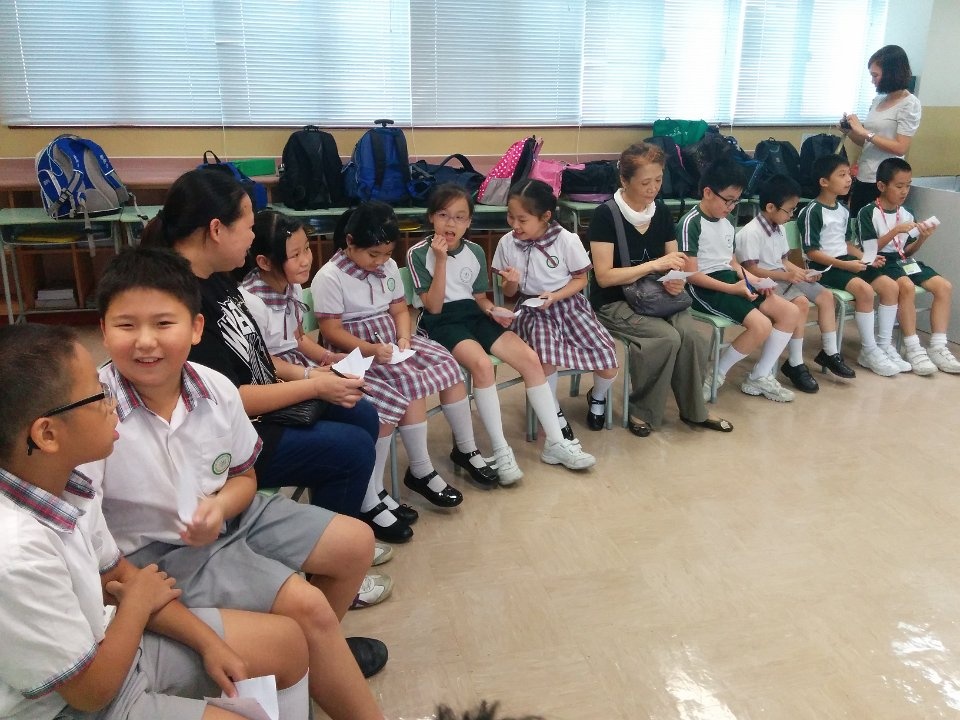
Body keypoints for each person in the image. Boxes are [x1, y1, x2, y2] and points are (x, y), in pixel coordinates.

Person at [82, 247, 388, 716]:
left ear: (196, 328)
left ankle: (313, 658)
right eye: (126, 325)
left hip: (231, 514)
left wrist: (222, 506)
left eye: (163, 323)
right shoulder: (93, 416)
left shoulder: (215, 388)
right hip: (159, 552)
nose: (145, 342)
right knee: (307, 606)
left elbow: (245, 476)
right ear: (103, 330)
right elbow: (98, 553)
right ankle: (315, 652)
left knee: (355, 543)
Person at [0, 323, 312, 720]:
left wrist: (207, 642)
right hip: (66, 704)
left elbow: (119, 575)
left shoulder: (70, 486)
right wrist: (137, 603)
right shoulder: (16, 553)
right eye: (97, 394)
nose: (113, 401)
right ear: (47, 435)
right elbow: (89, 692)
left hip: (110, 643)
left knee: (286, 641)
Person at [140, 169, 378, 519]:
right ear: (217, 230)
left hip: (258, 410)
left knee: (360, 412)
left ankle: (349, 516)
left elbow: (256, 356)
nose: (252, 238)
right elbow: (229, 398)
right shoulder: (178, 301)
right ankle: (333, 539)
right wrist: (315, 387)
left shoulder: (216, 278)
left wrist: (314, 375)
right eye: (249, 228)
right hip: (226, 435)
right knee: (352, 449)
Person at [310, 203, 501, 525]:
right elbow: (331, 331)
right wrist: (371, 349)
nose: (381, 261)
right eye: (373, 254)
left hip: (389, 341)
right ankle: (381, 487)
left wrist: (403, 338)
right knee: (402, 386)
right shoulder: (330, 276)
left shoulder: (386, 267)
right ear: (350, 242)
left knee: (447, 365)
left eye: (387, 254)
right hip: (353, 350)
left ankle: (447, 457)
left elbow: (399, 310)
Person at [408, 183, 596, 482]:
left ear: (469, 222)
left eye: (459, 217)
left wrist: (494, 310)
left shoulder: (474, 251)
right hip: (441, 321)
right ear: (431, 217)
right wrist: (440, 261)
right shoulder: (418, 253)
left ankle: (556, 443)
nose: (450, 224)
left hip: (473, 314)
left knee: (530, 359)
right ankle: (500, 449)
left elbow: (479, 298)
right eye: (443, 215)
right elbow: (433, 306)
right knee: (482, 365)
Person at [589, 142, 732, 435]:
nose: (653, 188)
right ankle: (642, 411)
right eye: (645, 182)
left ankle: (695, 410)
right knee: (664, 338)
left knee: (692, 337)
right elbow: (604, 277)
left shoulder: (661, 212)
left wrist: (677, 278)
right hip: (615, 300)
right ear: (624, 180)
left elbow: (673, 262)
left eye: (658, 180)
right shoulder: (606, 215)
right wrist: (653, 266)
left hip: (658, 295)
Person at [492, 179, 619, 434]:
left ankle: (597, 396)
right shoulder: (507, 242)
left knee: (608, 360)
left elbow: (581, 279)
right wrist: (511, 283)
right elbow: (508, 293)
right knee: (545, 359)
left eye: (522, 219)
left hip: (569, 306)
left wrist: (556, 296)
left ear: (545, 216)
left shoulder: (566, 240)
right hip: (532, 309)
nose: (515, 225)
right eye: (510, 217)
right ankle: (553, 411)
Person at [679, 159, 802, 403]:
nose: (732, 206)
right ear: (708, 192)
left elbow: (732, 262)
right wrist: (733, 288)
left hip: (729, 280)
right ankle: (715, 375)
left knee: (790, 312)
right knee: (761, 325)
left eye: (736, 201)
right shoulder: (691, 222)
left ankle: (759, 376)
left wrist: (752, 279)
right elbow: (690, 275)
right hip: (703, 287)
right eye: (728, 200)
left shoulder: (726, 223)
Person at [734, 173, 856, 391]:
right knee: (800, 304)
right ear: (770, 207)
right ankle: (796, 363)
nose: (791, 215)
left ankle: (830, 352)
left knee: (826, 296)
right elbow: (750, 270)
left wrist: (802, 272)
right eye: (789, 210)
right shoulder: (750, 232)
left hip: (783, 276)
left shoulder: (779, 228)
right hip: (766, 281)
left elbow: (783, 261)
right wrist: (787, 276)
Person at [798, 154, 905, 377]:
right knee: (864, 290)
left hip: (845, 262)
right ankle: (869, 350)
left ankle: (884, 345)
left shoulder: (843, 210)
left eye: (849, 174)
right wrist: (846, 266)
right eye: (842, 175)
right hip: (824, 268)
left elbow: (847, 244)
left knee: (890, 286)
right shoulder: (811, 211)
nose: (849, 179)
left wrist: (867, 257)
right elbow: (811, 252)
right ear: (824, 182)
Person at [857, 157, 960, 374]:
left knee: (944, 286)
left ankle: (938, 346)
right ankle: (913, 347)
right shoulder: (868, 212)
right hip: (880, 261)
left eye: (908, 185)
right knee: (906, 285)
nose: (904, 191)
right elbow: (868, 252)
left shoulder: (907, 212)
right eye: (899, 186)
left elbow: (908, 251)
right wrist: (894, 231)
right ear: (881, 186)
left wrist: (923, 237)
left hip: (903, 260)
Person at [842, 44, 921, 214]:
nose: (873, 81)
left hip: (885, 179)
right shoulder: (878, 100)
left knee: (878, 225)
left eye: (875, 75)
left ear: (891, 73)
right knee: (857, 221)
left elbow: (901, 147)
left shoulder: (909, 104)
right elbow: (867, 142)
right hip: (864, 174)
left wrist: (865, 132)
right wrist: (849, 131)